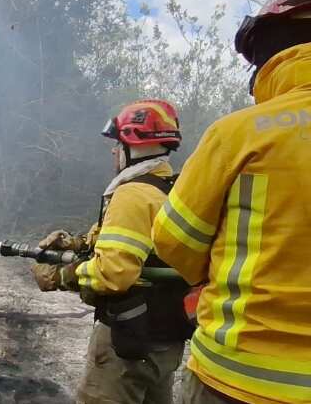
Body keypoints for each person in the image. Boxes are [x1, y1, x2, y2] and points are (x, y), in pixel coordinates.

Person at [151, 0, 311, 404]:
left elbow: (174, 239)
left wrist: (214, 274)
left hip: (232, 380)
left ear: (274, 43)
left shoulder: (239, 132)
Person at [32, 99, 191, 404]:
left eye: (118, 143)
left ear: (135, 146)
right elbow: (141, 244)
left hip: (126, 343)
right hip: (164, 341)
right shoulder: (171, 189)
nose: (113, 151)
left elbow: (113, 273)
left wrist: (59, 276)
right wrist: (77, 244)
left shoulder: (132, 194)